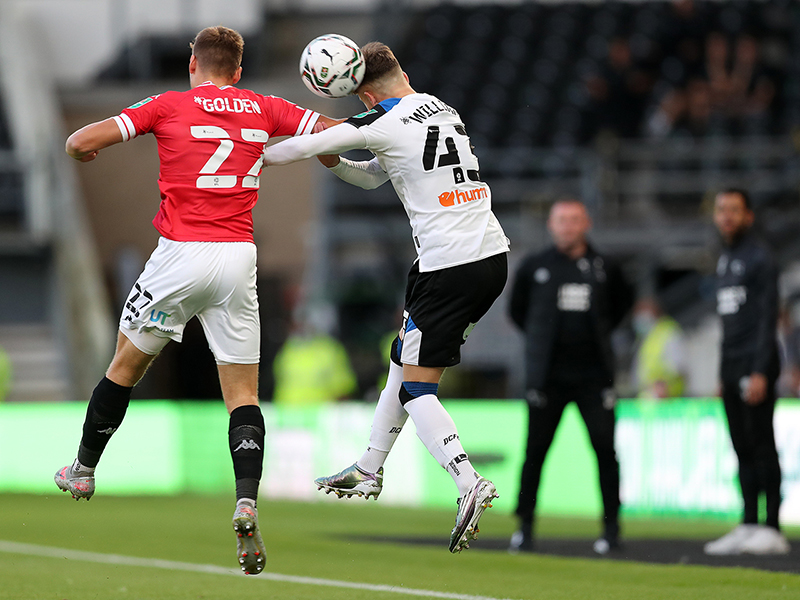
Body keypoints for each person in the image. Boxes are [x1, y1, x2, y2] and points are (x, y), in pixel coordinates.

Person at [53, 25, 338, 575]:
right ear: (237, 70)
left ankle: (84, 468)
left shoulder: (167, 104)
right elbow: (328, 136)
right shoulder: (266, 105)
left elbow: (78, 142)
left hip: (179, 256)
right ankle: (248, 498)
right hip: (238, 258)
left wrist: (85, 157)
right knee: (243, 392)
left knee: (125, 366)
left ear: (192, 63)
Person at [262, 42, 509, 553]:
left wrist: (245, 147)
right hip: (487, 256)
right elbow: (378, 175)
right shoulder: (439, 106)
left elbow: (287, 151)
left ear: (365, 91)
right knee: (401, 361)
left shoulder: (379, 120)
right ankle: (369, 468)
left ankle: (468, 482)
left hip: (449, 265)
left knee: (419, 387)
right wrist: (337, 161)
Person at [507, 199, 633, 555]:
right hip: (547, 378)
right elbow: (518, 313)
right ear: (550, 224)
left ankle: (612, 529)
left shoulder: (605, 266)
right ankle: (524, 528)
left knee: (605, 451)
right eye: (561, 220)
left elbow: (622, 305)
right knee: (535, 453)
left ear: (586, 223)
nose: (567, 226)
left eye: (574, 219)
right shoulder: (535, 266)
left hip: (595, 377)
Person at [704, 188, 790, 555]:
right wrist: (724, 373)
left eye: (734, 210)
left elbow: (765, 321)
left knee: (761, 444)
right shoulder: (725, 258)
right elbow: (729, 324)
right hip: (733, 363)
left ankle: (772, 527)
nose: (726, 216)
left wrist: (758, 371)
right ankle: (749, 522)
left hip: (757, 363)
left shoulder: (760, 258)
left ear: (748, 216)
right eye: (721, 209)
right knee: (741, 447)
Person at [631, 296, 687, 399]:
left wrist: (662, 383)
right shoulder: (647, 337)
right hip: (649, 397)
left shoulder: (669, 332)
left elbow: (678, 365)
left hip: (668, 398)